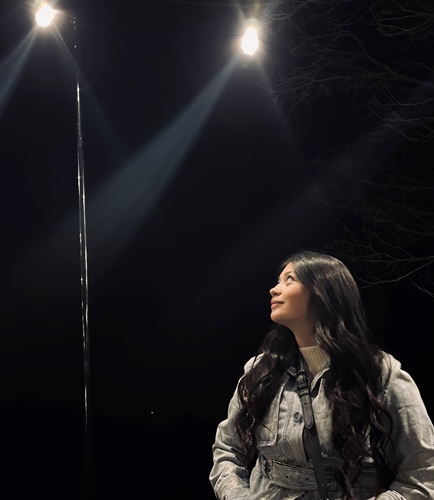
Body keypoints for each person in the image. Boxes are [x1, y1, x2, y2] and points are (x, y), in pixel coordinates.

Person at [210, 251, 434, 500]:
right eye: (278, 281)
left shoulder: (379, 374)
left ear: (323, 291)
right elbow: (227, 450)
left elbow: (424, 474)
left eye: (289, 279)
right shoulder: (261, 371)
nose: (274, 289)